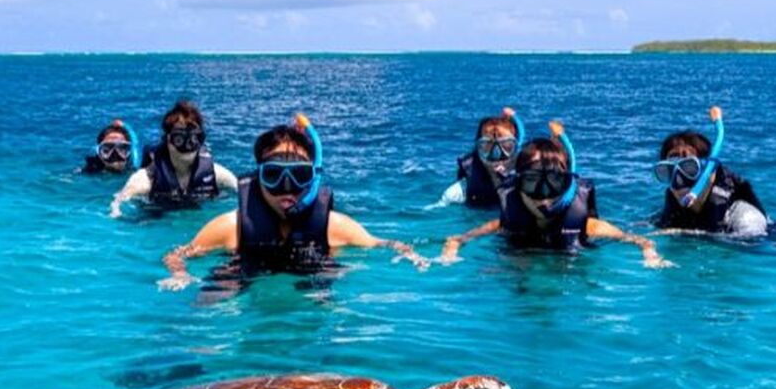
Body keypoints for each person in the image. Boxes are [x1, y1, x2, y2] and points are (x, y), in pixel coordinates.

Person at [160, 114, 429, 290]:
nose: (286, 188)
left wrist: (409, 254)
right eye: (274, 176)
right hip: (244, 287)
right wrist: (180, 274)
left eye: (299, 176)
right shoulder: (231, 227)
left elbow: (382, 244)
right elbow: (176, 254)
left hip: (310, 290)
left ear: (312, 179)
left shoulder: (334, 227)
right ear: (258, 176)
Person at [441, 121, 671, 268]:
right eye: (532, 183)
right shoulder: (506, 222)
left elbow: (642, 240)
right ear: (517, 185)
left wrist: (651, 256)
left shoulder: (590, 227)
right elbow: (456, 239)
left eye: (554, 183)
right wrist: (449, 255)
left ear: (568, 186)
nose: (544, 196)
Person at [110, 100, 237, 217]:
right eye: (179, 139)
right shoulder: (146, 179)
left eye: (194, 139)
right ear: (168, 140)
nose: (187, 146)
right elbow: (117, 205)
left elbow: (242, 191)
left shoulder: (216, 174)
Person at [653, 107, 767, 237]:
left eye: (689, 168)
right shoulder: (674, 209)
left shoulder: (746, 219)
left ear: (711, 173)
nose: (678, 181)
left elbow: (751, 245)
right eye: (668, 171)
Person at [437, 107, 525, 208]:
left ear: (516, 147)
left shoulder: (522, 171)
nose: (496, 154)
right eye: (487, 145)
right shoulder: (456, 192)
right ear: (478, 148)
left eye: (506, 146)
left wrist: (515, 117)